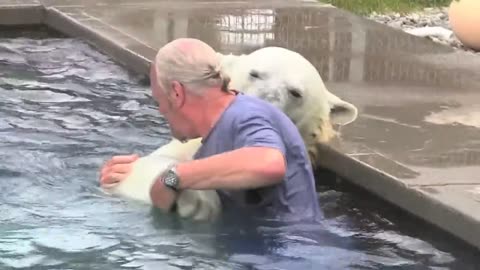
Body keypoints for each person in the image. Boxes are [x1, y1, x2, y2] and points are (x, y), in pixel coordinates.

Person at [99, 38, 322, 223]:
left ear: (176, 93)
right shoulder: (219, 129)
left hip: (292, 251)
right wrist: (134, 173)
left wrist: (173, 177)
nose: (161, 111)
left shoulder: (246, 115)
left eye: (158, 100)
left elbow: (269, 163)